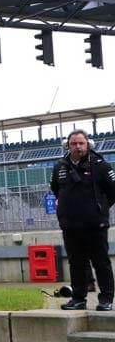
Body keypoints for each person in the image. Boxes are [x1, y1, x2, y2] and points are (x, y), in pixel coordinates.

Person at [50, 130, 115, 311]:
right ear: (68, 145)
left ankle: (106, 299)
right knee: (76, 263)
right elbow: (56, 190)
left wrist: (98, 209)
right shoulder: (60, 167)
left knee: (101, 262)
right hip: (70, 226)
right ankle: (78, 298)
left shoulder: (101, 165)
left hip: (95, 225)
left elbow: (112, 192)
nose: (78, 147)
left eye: (81, 143)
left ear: (88, 144)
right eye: (74, 144)